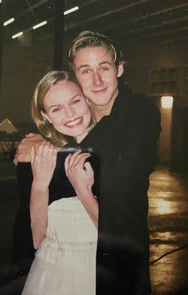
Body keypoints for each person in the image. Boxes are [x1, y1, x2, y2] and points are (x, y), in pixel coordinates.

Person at [14, 30, 161, 295]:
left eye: (103, 68)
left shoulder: (139, 113)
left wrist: (38, 155)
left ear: (119, 69)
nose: (96, 80)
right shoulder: (73, 127)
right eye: (85, 70)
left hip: (118, 266)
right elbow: (35, 235)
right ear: (76, 77)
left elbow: (105, 168)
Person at [16, 70, 99, 295]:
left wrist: (84, 192)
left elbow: (119, 233)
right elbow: (36, 239)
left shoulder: (109, 153)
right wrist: (40, 184)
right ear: (45, 117)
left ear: (87, 100)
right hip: (51, 275)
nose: (70, 113)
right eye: (56, 109)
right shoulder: (40, 157)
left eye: (75, 101)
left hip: (96, 273)